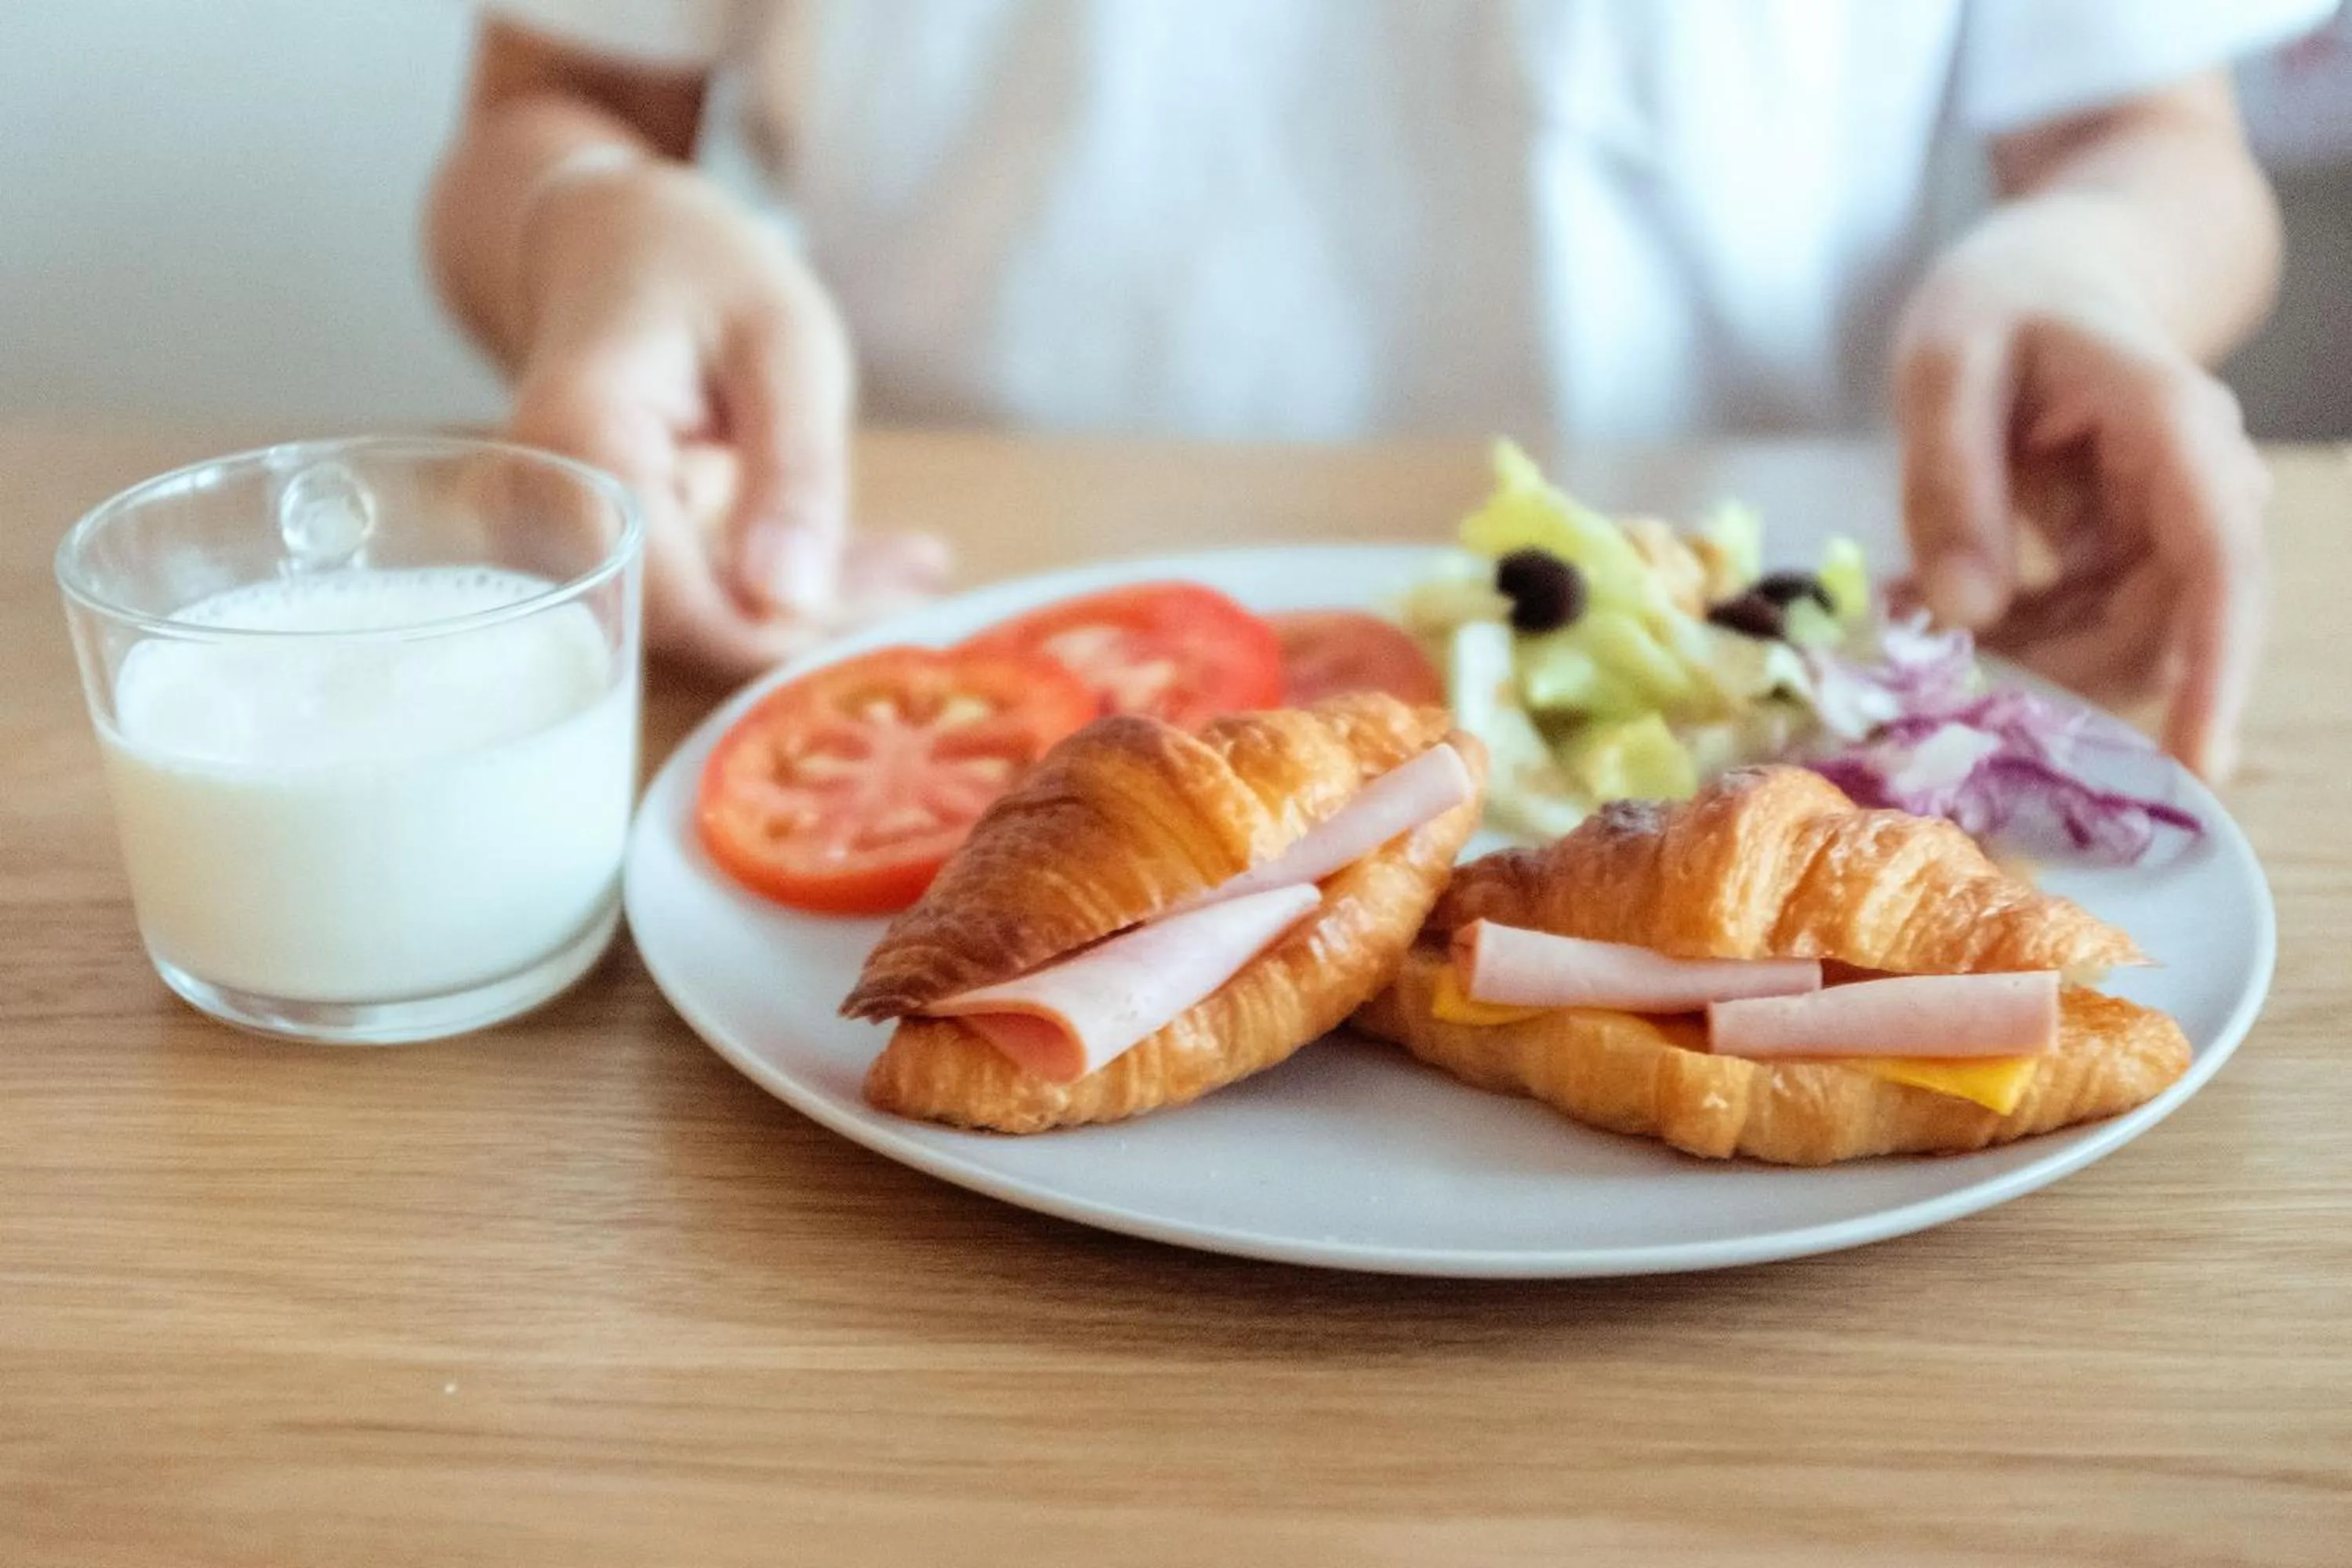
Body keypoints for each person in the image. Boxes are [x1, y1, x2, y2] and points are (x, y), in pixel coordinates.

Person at [427, 0, 2329, 780]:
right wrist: (594, 225)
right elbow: (554, 103)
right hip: (892, 655)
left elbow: (2144, 134)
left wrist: (2082, 271)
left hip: (1751, 692)